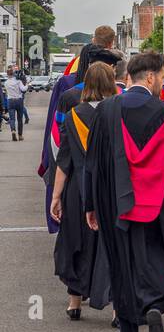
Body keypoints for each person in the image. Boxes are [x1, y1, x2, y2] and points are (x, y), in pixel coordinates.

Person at [84, 50, 164, 332]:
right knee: (154, 256)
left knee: (120, 263)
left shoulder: (107, 110)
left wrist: (91, 204)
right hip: (154, 204)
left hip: (115, 201)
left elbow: (94, 162)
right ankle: (154, 304)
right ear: (151, 77)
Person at [50, 61, 116, 318]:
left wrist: (56, 196)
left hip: (79, 187)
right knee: (110, 245)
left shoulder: (74, 115)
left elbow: (63, 161)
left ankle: (75, 302)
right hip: (109, 186)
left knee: (75, 240)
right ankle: (116, 309)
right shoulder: (117, 113)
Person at [39, 27, 118, 230]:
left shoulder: (68, 86)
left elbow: (57, 136)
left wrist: (51, 170)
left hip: (75, 172)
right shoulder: (120, 101)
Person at [5, 67, 26, 140]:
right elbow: (23, 89)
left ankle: (13, 131)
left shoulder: (6, 82)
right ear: (13, 74)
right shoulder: (18, 81)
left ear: (7, 74)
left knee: (12, 118)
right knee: (20, 119)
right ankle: (20, 135)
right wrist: (27, 85)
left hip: (10, 100)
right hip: (19, 100)